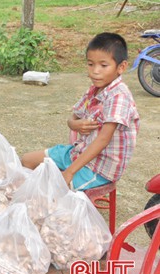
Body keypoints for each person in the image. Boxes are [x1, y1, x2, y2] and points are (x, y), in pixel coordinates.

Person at [21, 32, 140, 190]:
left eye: (103, 66)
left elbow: (103, 140)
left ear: (121, 67)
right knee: (27, 161)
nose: (95, 71)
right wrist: (73, 125)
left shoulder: (119, 97)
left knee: (50, 190)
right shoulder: (94, 90)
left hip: (99, 169)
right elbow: (74, 117)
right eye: (91, 64)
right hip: (77, 153)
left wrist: (70, 172)